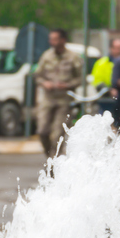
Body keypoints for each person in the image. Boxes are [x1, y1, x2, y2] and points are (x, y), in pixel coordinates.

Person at [34, 28, 83, 157]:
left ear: (63, 40)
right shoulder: (46, 56)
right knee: (42, 131)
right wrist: (44, 83)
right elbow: (37, 75)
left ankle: (53, 164)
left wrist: (67, 85)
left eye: (55, 39)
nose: (52, 42)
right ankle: (50, 156)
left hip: (64, 100)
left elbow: (80, 78)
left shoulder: (73, 57)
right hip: (48, 98)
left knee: (57, 134)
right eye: (51, 39)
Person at [91, 38, 120, 116]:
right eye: (117, 48)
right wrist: (109, 90)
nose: (119, 51)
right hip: (106, 98)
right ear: (111, 48)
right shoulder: (101, 63)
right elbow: (97, 81)